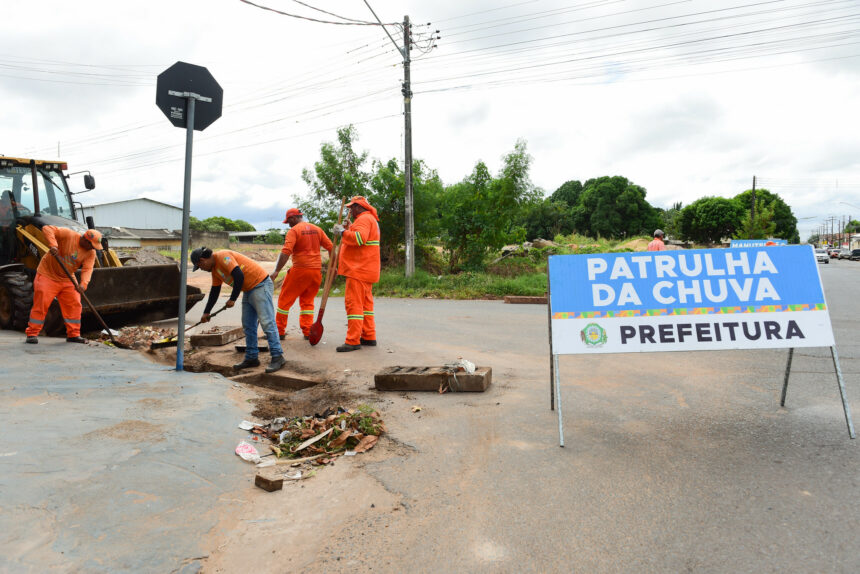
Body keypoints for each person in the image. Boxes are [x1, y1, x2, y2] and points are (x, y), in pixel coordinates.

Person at [191, 247, 285, 373]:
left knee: (267, 322)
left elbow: (238, 275)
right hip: (248, 290)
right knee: (248, 325)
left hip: (260, 284)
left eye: (200, 266)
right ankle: (252, 357)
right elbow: (214, 292)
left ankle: (277, 356)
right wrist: (206, 312)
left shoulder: (223, 256)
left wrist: (233, 299)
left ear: (202, 260)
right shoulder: (215, 270)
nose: (201, 269)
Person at [25, 226, 103, 344]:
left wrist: (83, 284)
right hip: (47, 274)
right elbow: (47, 228)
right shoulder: (68, 234)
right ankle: (32, 333)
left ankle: (74, 335)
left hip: (67, 278)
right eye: (91, 245)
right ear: (85, 240)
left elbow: (88, 269)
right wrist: (53, 245)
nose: (93, 248)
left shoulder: (91, 253)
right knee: (41, 304)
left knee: (74, 304)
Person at [270, 208, 333, 341]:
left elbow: (286, 251)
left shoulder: (294, 231)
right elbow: (331, 248)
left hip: (300, 271)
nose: (288, 224)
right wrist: (334, 266)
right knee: (307, 302)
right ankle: (308, 330)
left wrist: (276, 271)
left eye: (289, 221)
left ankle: (279, 331)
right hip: (316, 271)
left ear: (293, 218)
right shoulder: (318, 229)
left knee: (284, 301)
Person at [331, 196, 380, 352]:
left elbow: (359, 239)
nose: (350, 210)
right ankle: (369, 336)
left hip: (358, 270)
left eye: (352, 207)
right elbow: (361, 237)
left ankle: (352, 341)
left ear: (359, 207)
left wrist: (343, 232)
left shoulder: (364, 219)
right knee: (366, 306)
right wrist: (349, 228)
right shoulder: (369, 219)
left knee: (354, 305)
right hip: (366, 270)